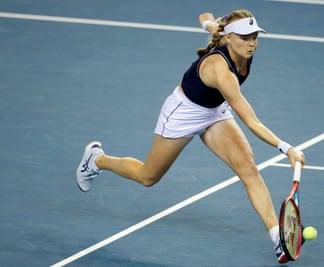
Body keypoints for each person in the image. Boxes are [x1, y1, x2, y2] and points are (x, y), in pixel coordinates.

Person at [76, 9, 305, 264]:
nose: (251, 43)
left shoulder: (234, 43)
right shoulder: (221, 70)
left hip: (214, 111)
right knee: (148, 177)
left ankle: (278, 238)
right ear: (230, 38)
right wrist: (287, 148)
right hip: (182, 113)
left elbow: (216, 29)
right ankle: (97, 160)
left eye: (254, 36)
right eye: (244, 37)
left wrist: (208, 23)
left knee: (249, 169)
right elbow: (251, 120)